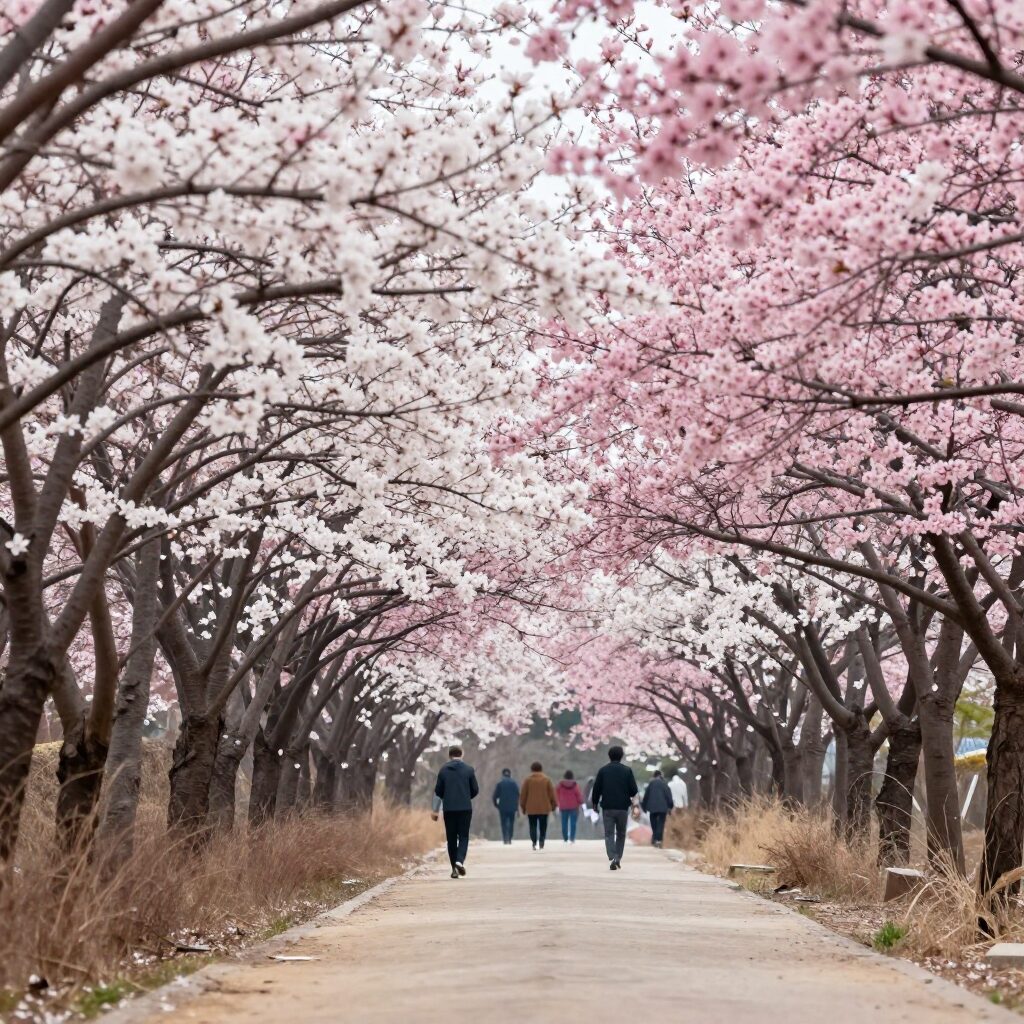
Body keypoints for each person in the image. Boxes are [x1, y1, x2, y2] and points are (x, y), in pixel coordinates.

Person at [431, 745, 479, 878]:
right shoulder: (469, 770)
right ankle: (459, 861)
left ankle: (454, 869)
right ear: (461, 754)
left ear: (449, 755)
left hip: (449, 809)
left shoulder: (443, 770)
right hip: (465, 808)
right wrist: (465, 796)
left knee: (451, 839)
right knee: (463, 836)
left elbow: (438, 792)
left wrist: (435, 810)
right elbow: (475, 789)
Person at [591, 745, 639, 870]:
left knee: (609, 833)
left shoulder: (603, 770)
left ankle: (612, 856)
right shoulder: (627, 771)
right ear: (621, 756)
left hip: (607, 806)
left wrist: (594, 804)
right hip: (623, 807)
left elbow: (596, 789)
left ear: (609, 756)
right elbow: (634, 790)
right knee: (621, 833)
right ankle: (618, 857)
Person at [519, 761, 557, 850]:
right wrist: (553, 805)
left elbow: (523, 795)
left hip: (531, 808)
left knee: (532, 825)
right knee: (543, 825)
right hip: (544, 808)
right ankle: (542, 840)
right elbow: (551, 794)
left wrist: (523, 807)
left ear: (531, 769)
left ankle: (534, 842)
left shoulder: (527, 780)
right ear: (541, 769)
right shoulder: (546, 780)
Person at [641, 769, 674, 847]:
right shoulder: (664, 784)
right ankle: (659, 840)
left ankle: (655, 838)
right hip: (663, 807)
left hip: (652, 808)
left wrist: (644, 807)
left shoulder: (651, 784)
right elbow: (669, 796)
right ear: (661, 775)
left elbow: (646, 796)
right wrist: (670, 806)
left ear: (654, 776)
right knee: (661, 823)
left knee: (654, 823)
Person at [556, 769, 584, 844]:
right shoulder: (575, 785)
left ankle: (565, 838)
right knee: (573, 823)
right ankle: (572, 838)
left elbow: (557, 794)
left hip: (563, 806)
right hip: (573, 807)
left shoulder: (560, 785)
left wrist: (558, 803)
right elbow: (578, 795)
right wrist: (581, 802)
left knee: (564, 822)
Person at [492, 768, 520, 844]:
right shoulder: (514, 784)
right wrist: (517, 806)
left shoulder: (500, 784)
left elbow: (495, 796)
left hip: (503, 807)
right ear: (510, 774)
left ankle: (505, 838)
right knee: (511, 823)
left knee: (503, 823)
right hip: (512, 807)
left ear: (502, 774)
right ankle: (510, 838)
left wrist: (497, 805)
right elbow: (518, 795)